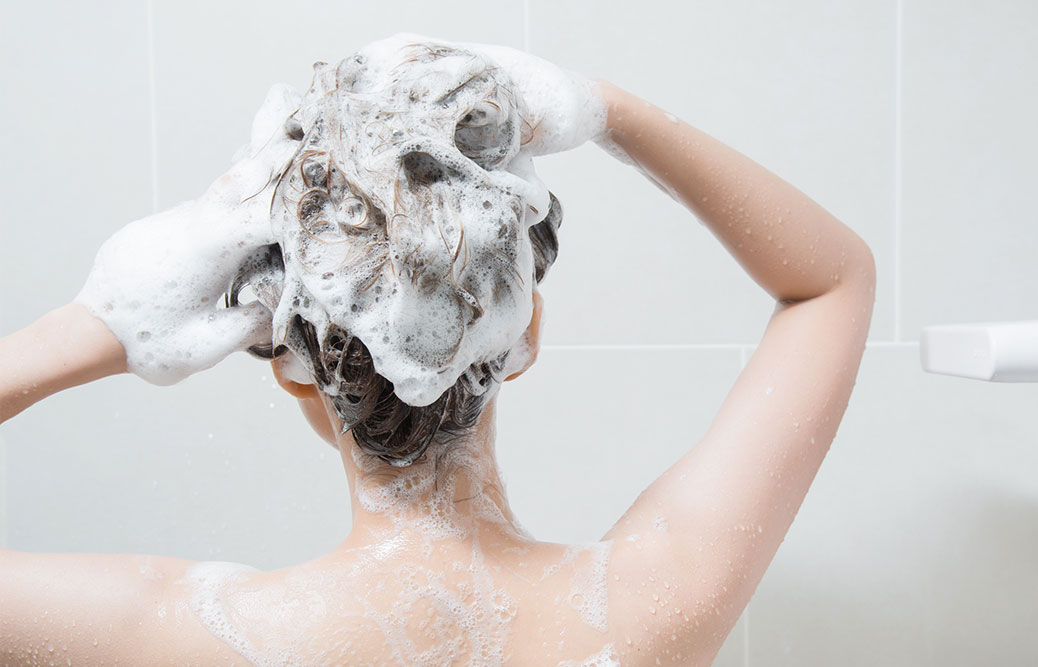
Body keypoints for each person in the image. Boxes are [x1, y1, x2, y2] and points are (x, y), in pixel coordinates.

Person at [0, 34, 875, 667]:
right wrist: (604, 108)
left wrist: (93, 327)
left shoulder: (189, 636)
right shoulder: (650, 608)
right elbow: (834, 282)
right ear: (524, 332)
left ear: (293, 365)